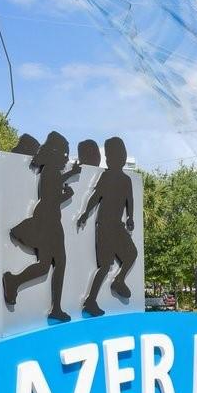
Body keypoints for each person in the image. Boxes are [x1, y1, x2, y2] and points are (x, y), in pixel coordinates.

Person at [3, 130, 78, 321]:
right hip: (49, 221)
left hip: (49, 219)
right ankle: (55, 308)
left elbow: (52, 196)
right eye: (64, 154)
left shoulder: (49, 171)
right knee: (59, 263)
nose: (66, 158)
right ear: (54, 153)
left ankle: (14, 281)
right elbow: (51, 197)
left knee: (45, 266)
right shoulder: (50, 172)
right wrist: (69, 182)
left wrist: (66, 188)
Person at [76, 136, 137, 318]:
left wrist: (131, 217)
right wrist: (85, 213)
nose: (118, 159)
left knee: (131, 254)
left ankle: (118, 280)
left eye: (121, 155)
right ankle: (90, 301)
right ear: (109, 158)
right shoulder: (106, 175)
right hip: (104, 226)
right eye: (114, 155)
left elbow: (129, 200)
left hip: (118, 226)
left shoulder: (126, 180)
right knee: (104, 266)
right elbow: (96, 196)